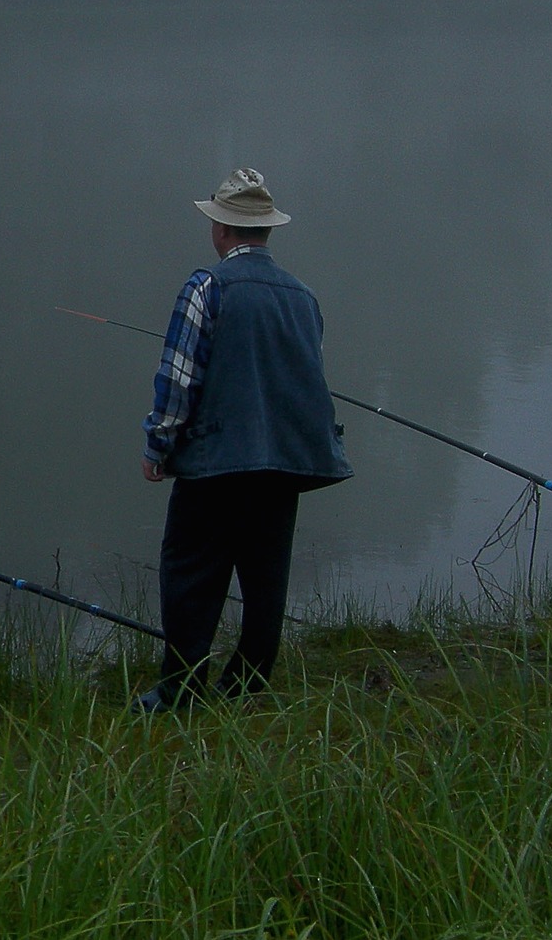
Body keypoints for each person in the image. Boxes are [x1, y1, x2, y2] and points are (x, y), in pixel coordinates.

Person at [136, 168, 352, 712]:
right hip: (281, 466)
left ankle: (180, 691)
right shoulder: (303, 297)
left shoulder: (206, 287)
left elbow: (179, 381)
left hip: (216, 464)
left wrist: (157, 446)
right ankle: (247, 688)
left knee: (189, 574)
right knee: (265, 578)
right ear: (265, 231)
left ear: (222, 230)